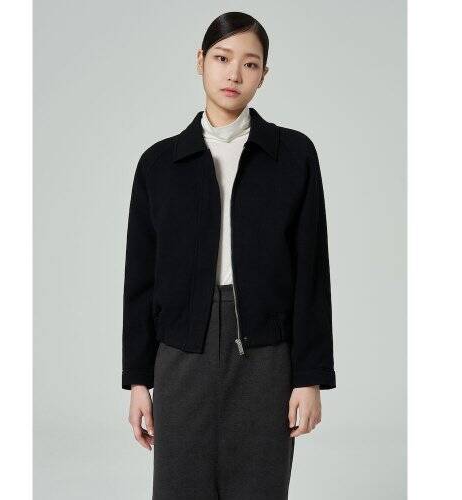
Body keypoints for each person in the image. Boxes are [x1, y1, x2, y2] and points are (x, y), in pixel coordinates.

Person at [122, 11, 336, 500]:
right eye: (222, 58)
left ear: (264, 75)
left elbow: (312, 273)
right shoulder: (159, 164)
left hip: (266, 356)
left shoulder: (293, 156)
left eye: (250, 63)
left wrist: (309, 378)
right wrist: (138, 381)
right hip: (181, 356)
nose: (234, 74)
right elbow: (140, 279)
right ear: (200, 61)